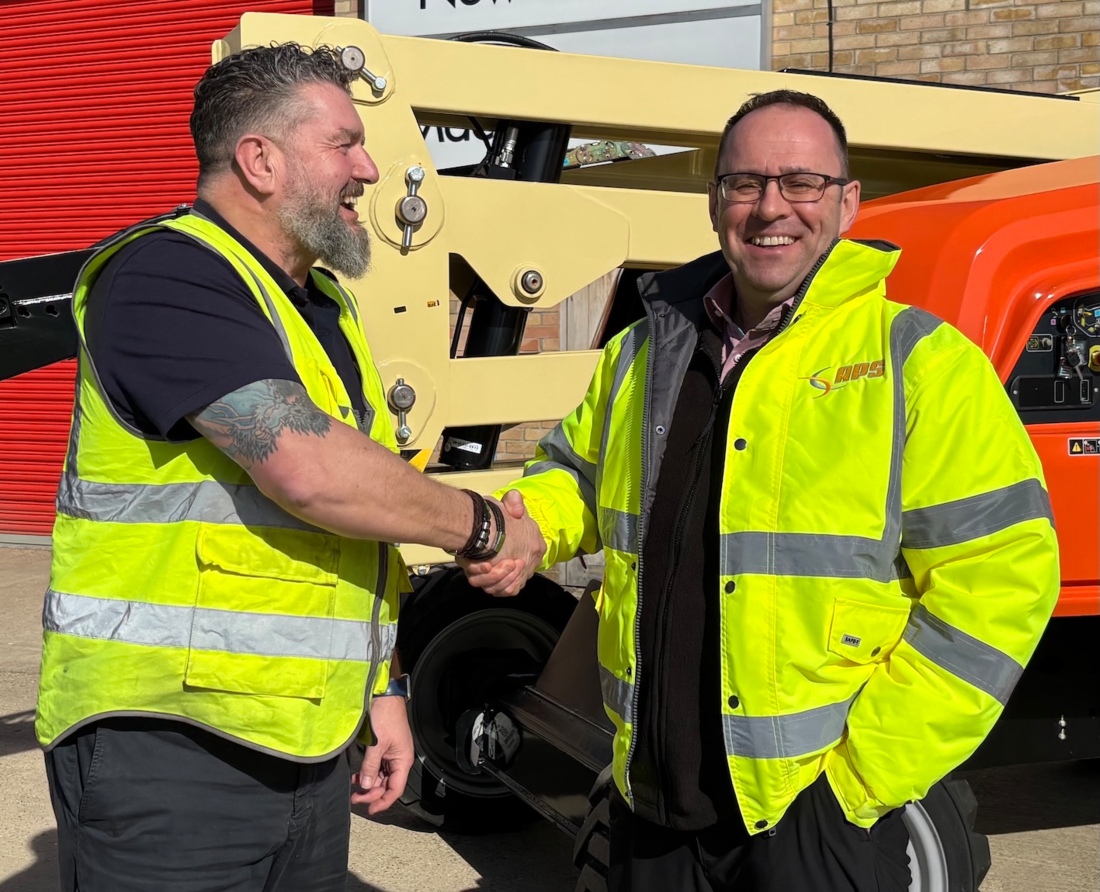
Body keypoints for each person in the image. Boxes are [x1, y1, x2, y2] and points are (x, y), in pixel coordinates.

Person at [464, 90, 1060, 891]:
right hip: (652, 802)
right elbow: (575, 473)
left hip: (813, 819)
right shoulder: (642, 352)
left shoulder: (919, 363)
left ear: (847, 203)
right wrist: (532, 523)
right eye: (745, 183)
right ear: (716, 204)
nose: (771, 206)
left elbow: (1003, 581)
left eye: (802, 182)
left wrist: (857, 784)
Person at [37, 43, 543, 892]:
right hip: (168, 750)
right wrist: (483, 527)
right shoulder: (166, 274)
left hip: (305, 745)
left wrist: (384, 692)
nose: (370, 171)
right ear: (260, 161)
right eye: (345, 144)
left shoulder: (322, 307)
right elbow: (310, 471)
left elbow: (354, 531)